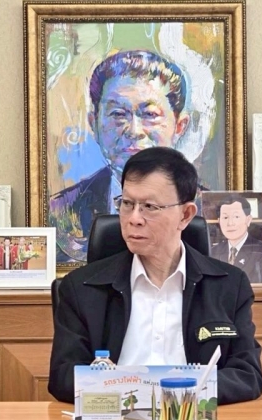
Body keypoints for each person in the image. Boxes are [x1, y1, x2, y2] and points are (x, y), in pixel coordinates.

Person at [48, 147, 262, 405]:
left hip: (193, 418)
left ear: (185, 215)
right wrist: (135, 393)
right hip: (114, 419)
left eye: (149, 207)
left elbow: (247, 375)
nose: (134, 218)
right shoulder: (81, 288)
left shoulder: (229, 285)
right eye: (127, 204)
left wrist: (176, 391)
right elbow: (63, 377)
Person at [49, 50, 190, 262]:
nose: (134, 131)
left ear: (179, 126)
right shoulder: (61, 210)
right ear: (93, 124)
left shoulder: (211, 210)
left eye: (150, 114)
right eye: (117, 114)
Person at [210, 195, 262, 283]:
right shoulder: (213, 252)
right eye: (225, 217)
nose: (230, 223)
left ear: (248, 220)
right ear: (219, 221)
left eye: (236, 217)